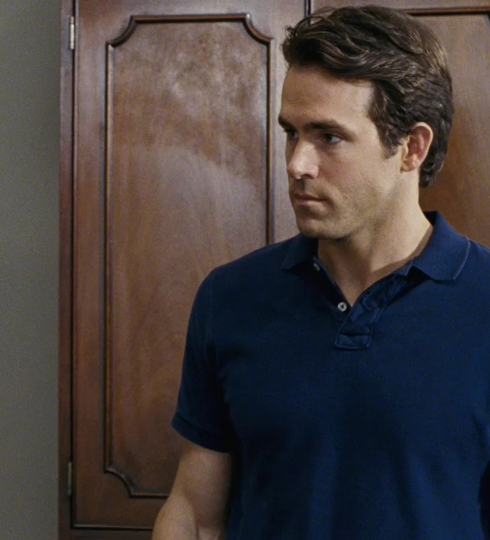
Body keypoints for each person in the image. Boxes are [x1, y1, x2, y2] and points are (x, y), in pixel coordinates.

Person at [151, 6, 490, 539]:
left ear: (411, 147)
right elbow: (194, 513)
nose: (296, 164)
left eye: (328, 137)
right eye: (292, 133)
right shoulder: (230, 297)